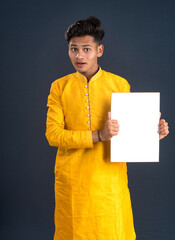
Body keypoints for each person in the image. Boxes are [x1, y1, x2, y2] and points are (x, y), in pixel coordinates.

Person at [45, 16, 169, 240]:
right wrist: (98, 135)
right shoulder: (59, 87)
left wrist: (152, 133)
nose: (79, 56)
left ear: (99, 50)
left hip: (109, 183)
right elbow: (53, 135)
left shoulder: (119, 84)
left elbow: (129, 133)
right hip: (73, 182)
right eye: (73, 49)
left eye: (86, 49)